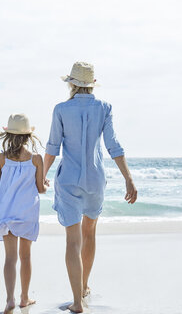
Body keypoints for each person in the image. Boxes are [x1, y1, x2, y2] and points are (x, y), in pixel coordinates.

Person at [43, 62, 138, 313]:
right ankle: (84, 286)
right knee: (90, 234)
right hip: (95, 181)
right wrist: (128, 177)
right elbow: (113, 145)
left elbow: (52, 147)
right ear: (91, 84)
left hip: (69, 180)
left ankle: (77, 302)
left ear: (72, 84)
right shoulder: (104, 108)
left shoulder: (61, 109)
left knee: (72, 241)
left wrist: (42, 175)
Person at [0, 113, 48, 314]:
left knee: (10, 258)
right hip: (27, 213)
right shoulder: (36, 159)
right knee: (25, 257)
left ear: (8, 135)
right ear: (28, 137)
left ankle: (10, 300)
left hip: (7, 215)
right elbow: (40, 189)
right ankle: (24, 298)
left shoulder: (0, 159)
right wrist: (45, 184)